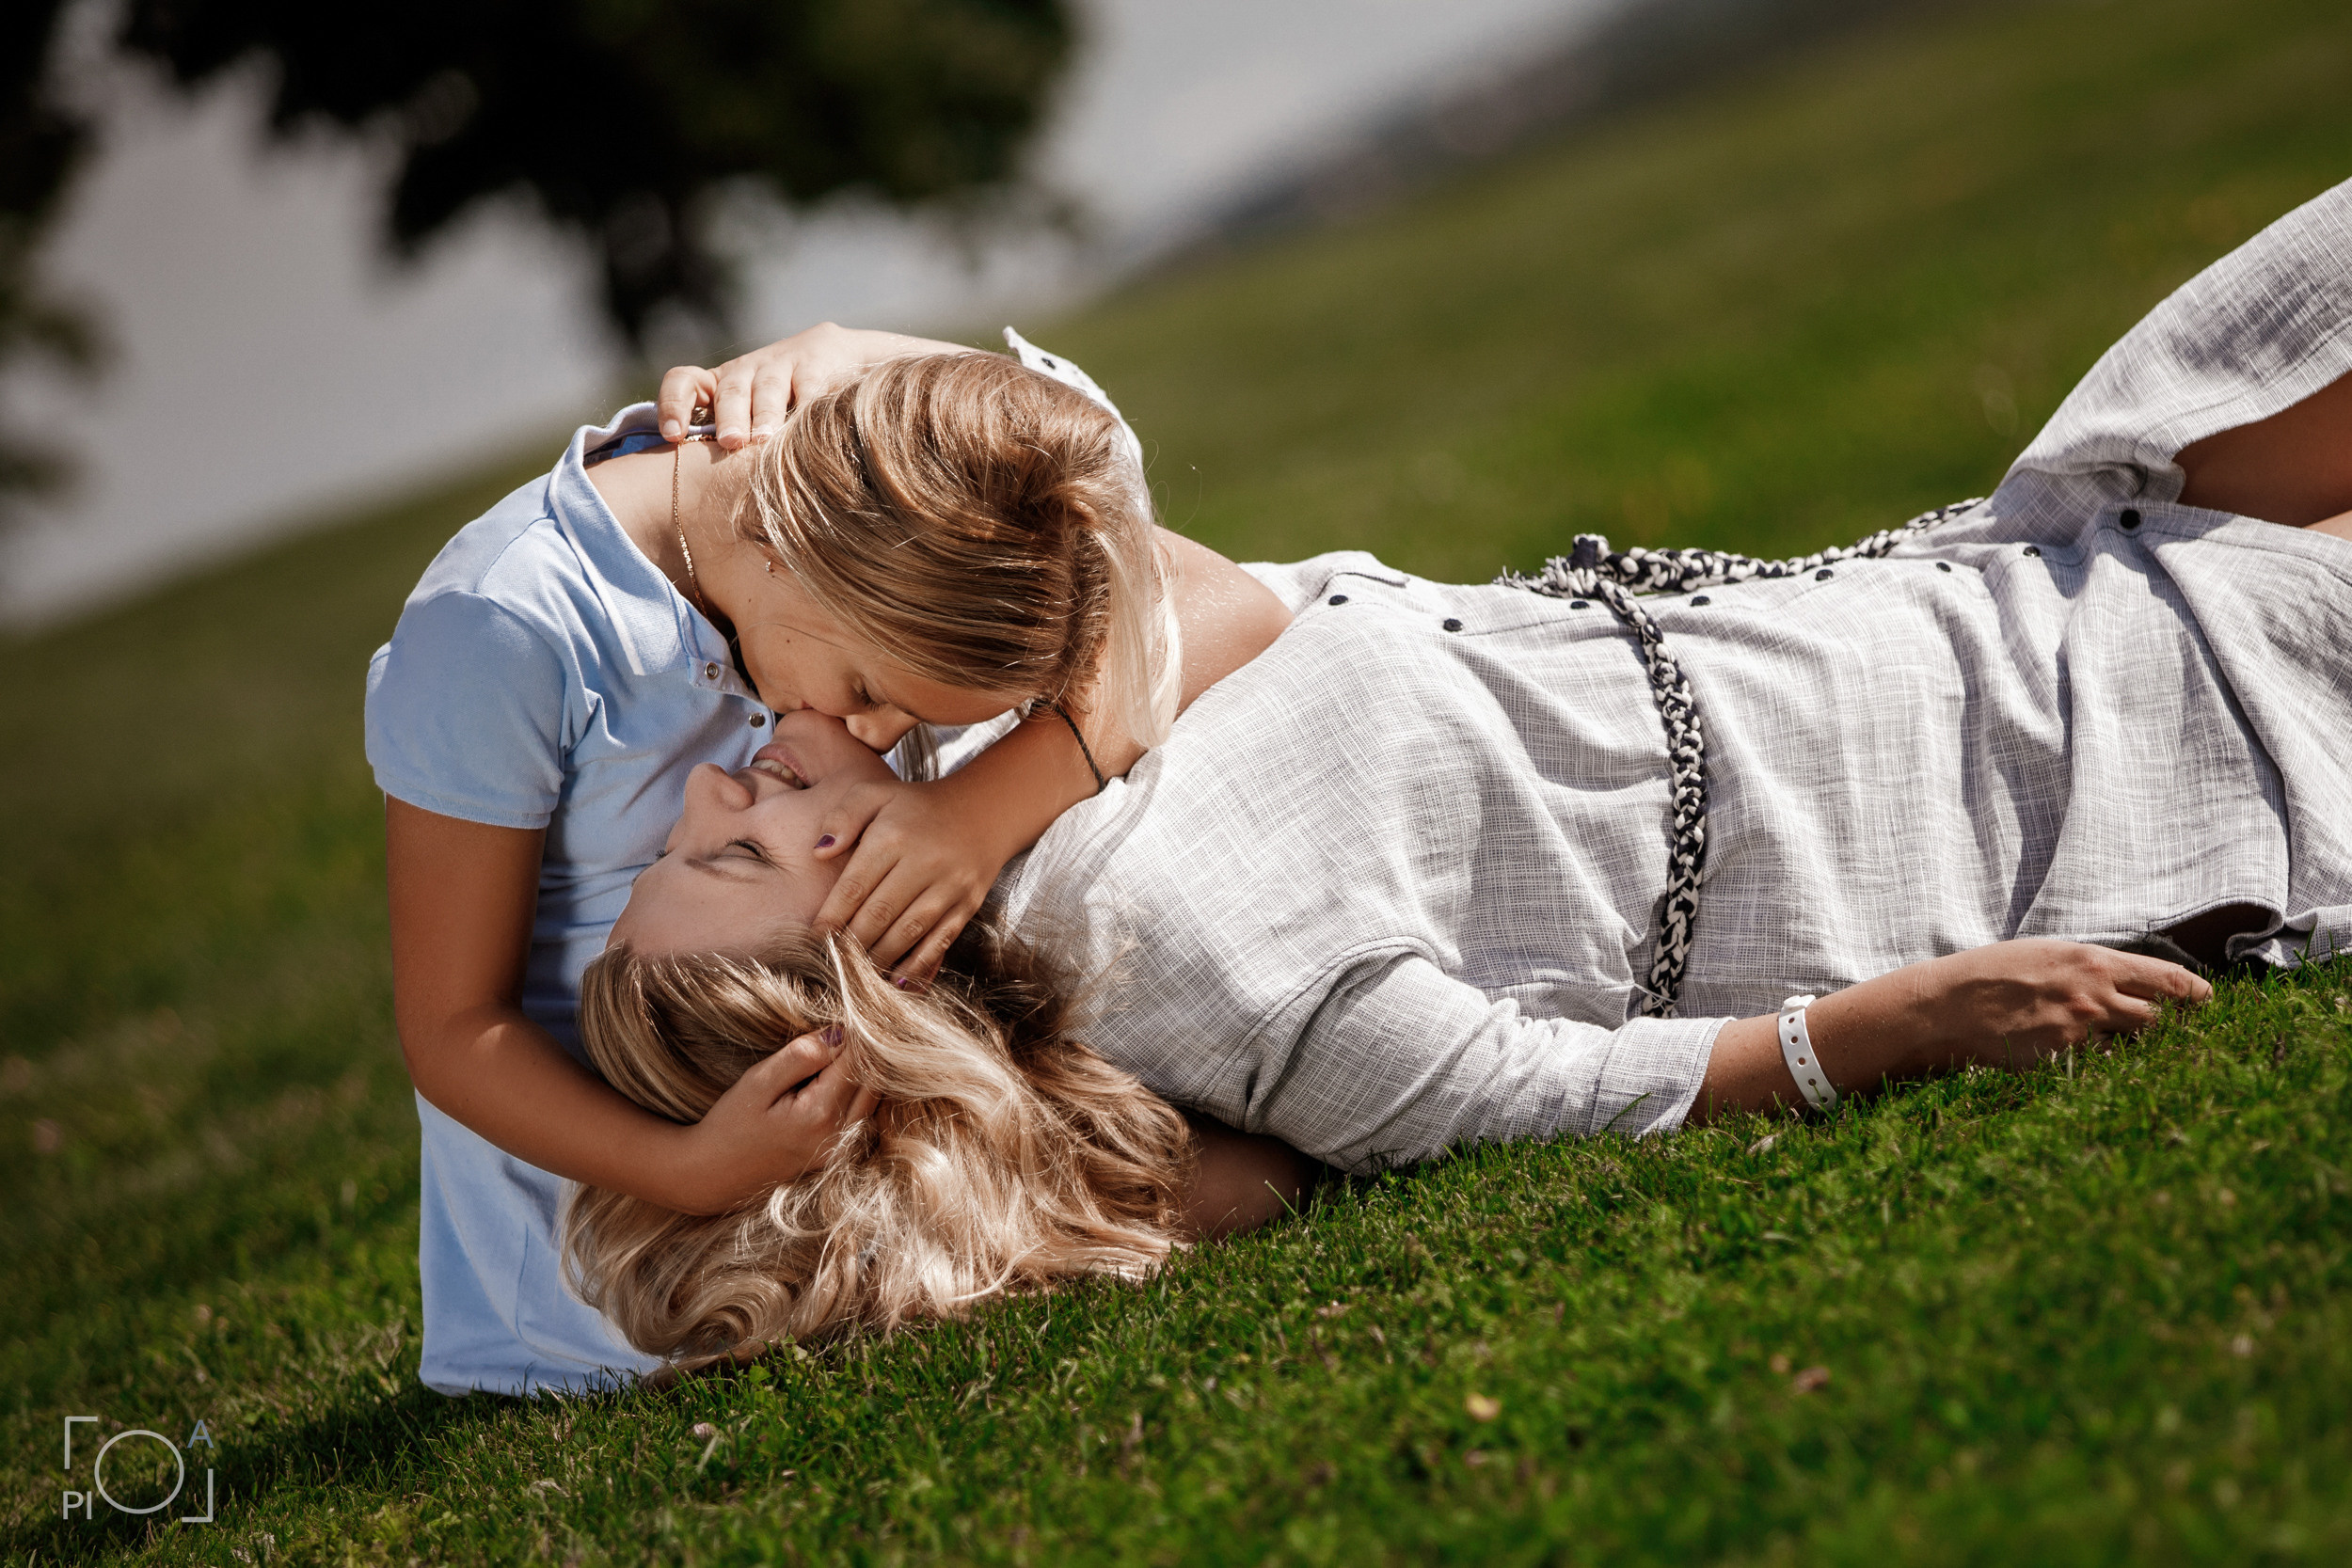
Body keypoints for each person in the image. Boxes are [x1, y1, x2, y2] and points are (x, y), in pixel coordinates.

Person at [567, 177, 2352, 1370]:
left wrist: (838, 386)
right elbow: (1526, 1090)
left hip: (1974, 579)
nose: (717, 779)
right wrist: (1896, 1024)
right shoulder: (1171, 960)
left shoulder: (992, 750)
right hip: (2027, 753)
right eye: (727, 851)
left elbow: (1109, 512)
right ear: (857, 987)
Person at [366, 331, 1291, 1396]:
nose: (877, 730)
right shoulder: (504, 627)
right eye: (863, 684)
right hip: (613, 1262)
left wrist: (977, 810)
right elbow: (452, 1027)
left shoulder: (861, 493)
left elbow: (1210, 599)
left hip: (879, 1144)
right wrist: (687, 1167)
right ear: (778, 543)